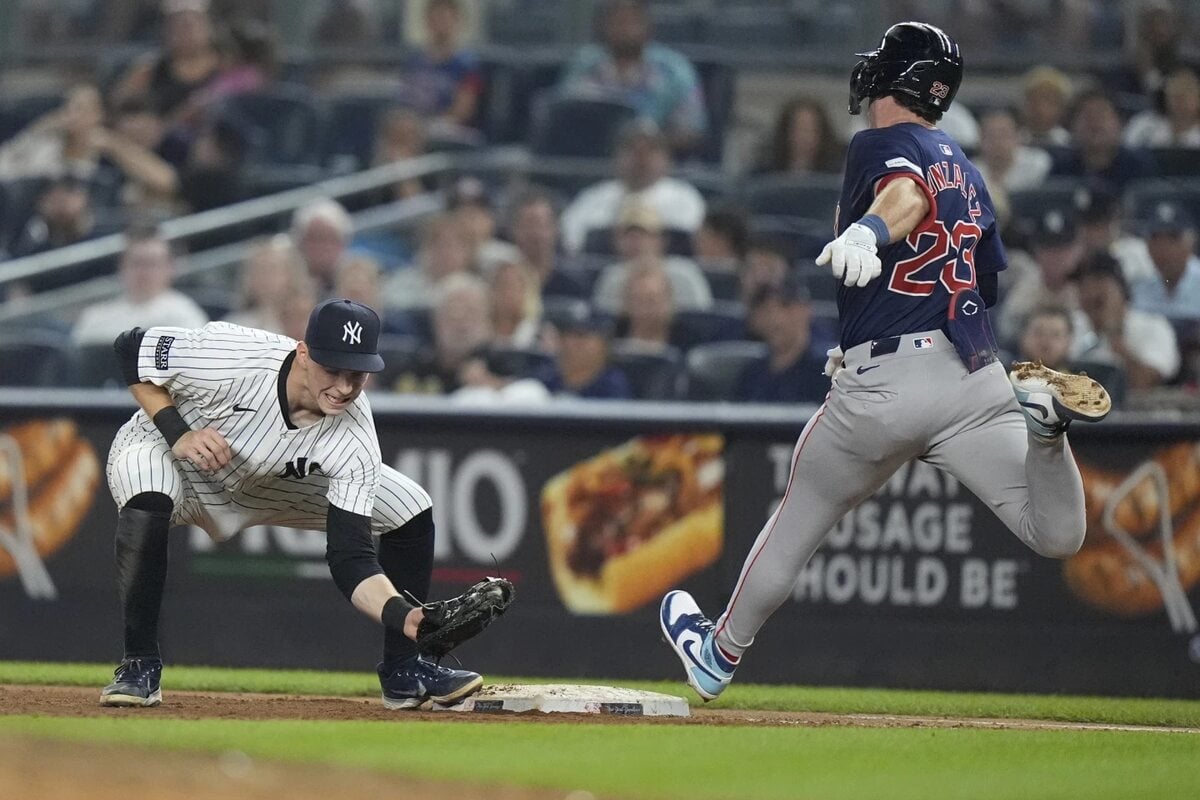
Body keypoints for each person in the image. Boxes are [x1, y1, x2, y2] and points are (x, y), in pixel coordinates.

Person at [660, 22, 1112, 702]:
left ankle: (718, 654)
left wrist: (870, 231)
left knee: (798, 521)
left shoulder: (882, 142)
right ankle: (1047, 438)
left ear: (896, 78)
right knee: (1056, 536)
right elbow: (981, 279)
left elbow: (907, 196)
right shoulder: (966, 165)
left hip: (886, 386)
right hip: (974, 375)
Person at [99, 298, 486, 710]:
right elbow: (130, 347)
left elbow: (350, 557)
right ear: (303, 353)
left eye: (356, 374)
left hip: (269, 485)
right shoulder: (232, 353)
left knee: (409, 506)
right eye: (331, 369)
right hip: (175, 459)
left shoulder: (354, 434)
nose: (342, 387)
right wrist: (178, 432)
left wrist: (407, 618)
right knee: (147, 487)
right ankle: (139, 665)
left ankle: (405, 671)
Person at [558, 0, 707, 152]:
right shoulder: (584, 64)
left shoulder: (675, 69)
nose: (625, 29)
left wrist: (643, 147)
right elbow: (561, 118)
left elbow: (692, 131)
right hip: (589, 160)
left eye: (632, 21)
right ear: (602, 25)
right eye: (617, 21)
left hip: (654, 163)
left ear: (648, 26)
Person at [559, 119, 706, 254]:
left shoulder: (685, 198)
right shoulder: (593, 197)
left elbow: (696, 246)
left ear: (666, 158)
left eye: (650, 150)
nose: (641, 158)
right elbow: (571, 243)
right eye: (632, 150)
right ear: (617, 156)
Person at [71, 227, 209, 346]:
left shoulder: (186, 316)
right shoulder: (94, 318)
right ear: (122, 266)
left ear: (169, 267)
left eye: (152, 263)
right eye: (137, 263)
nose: (144, 272)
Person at [1072, 250, 1180, 391]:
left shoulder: (1153, 327)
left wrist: (1113, 334)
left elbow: (1142, 383)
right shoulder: (1071, 324)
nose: (1088, 291)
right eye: (1082, 284)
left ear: (1120, 288)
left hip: (1140, 411)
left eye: (1097, 281)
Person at [734, 275, 829, 404]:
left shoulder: (830, 373)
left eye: (785, 306)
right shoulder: (750, 376)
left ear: (806, 310)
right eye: (766, 309)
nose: (775, 318)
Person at [398, 0, 483, 130]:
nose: (440, 24)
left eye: (445, 18)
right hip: (413, 127)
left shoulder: (469, 66)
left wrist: (433, 125)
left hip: (450, 130)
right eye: (435, 18)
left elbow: (463, 111)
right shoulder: (414, 61)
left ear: (457, 21)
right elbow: (405, 100)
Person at [1132, 200, 1200, 321]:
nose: (1163, 248)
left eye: (1172, 238)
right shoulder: (1140, 288)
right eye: (1155, 239)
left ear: (1190, 241)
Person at [754, 96, 846, 176]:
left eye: (812, 130)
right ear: (786, 132)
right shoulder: (765, 173)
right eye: (800, 130)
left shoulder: (837, 174)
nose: (805, 138)